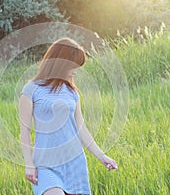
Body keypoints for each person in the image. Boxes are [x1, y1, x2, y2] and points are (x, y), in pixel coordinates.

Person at [19, 37, 117, 195]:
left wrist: (101, 156)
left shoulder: (72, 92)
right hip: (45, 164)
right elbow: (24, 131)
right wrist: (28, 164)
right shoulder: (31, 89)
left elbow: (81, 128)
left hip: (73, 162)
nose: (75, 71)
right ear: (61, 63)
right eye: (73, 66)